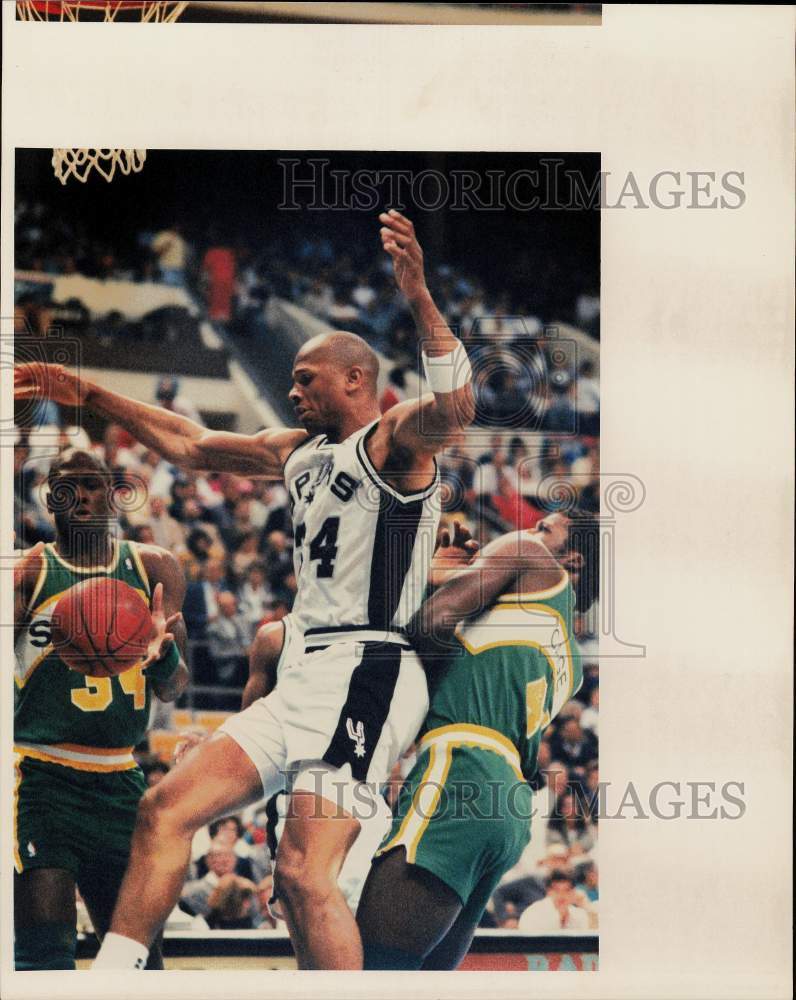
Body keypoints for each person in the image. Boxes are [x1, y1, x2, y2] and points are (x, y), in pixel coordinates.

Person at [16, 209, 474, 971]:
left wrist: (420, 296)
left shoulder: (393, 444)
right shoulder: (298, 452)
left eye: (305, 379)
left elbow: (457, 411)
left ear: (355, 379)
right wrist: (90, 393)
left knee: (302, 874)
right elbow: (193, 445)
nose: (291, 391)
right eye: (289, 380)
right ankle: (114, 977)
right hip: (304, 670)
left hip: (368, 668)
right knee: (165, 809)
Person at [355, 507, 599, 969]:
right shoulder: (575, 664)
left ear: (574, 560)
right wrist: (447, 581)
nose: (527, 531)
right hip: (508, 806)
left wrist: (432, 581)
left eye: (543, 528)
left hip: (461, 766)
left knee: (372, 972)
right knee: (426, 980)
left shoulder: (526, 552)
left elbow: (429, 625)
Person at [12, 448, 189, 971]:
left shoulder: (154, 567)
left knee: (138, 958)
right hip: (40, 777)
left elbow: (175, 688)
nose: (81, 497)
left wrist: (162, 655)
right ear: (50, 499)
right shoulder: (29, 572)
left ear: (114, 495)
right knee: (45, 953)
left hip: (120, 781)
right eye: (67, 488)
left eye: (92, 485)